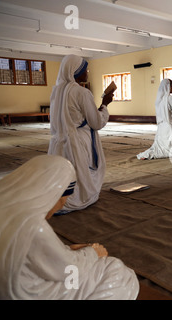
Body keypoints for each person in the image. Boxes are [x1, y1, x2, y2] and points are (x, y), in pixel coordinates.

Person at [0, 155, 139, 300]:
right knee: (115, 269)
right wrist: (93, 252)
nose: (62, 205)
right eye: (63, 200)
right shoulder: (33, 226)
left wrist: (68, 250)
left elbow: (33, 257)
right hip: (34, 292)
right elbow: (68, 269)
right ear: (53, 196)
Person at [48, 54, 113, 214]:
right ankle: (75, 199)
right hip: (77, 141)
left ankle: (57, 198)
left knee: (62, 175)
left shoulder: (57, 91)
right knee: (78, 174)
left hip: (58, 142)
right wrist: (105, 104)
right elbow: (96, 122)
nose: (87, 72)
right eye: (85, 69)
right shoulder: (82, 93)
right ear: (76, 71)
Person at [137, 79, 172, 160]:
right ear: (168, 87)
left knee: (160, 147)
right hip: (170, 129)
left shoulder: (159, 100)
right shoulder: (169, 98)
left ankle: (149, 154)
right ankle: (151, 154)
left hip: (162, 129)